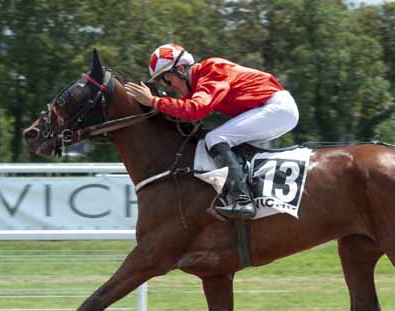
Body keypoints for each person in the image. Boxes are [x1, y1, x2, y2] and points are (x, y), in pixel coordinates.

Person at [126, 43, 299, 220]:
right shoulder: (198, 84)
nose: (168, 86)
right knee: (218, 140)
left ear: (181, 69)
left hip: (276, 107)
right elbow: (186, 113)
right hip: (273, 108)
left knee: (216, 138)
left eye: (166, 78)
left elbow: (195, 109)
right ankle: (252, 193)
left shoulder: (211, 69)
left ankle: (242, 200)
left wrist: (154, 101)